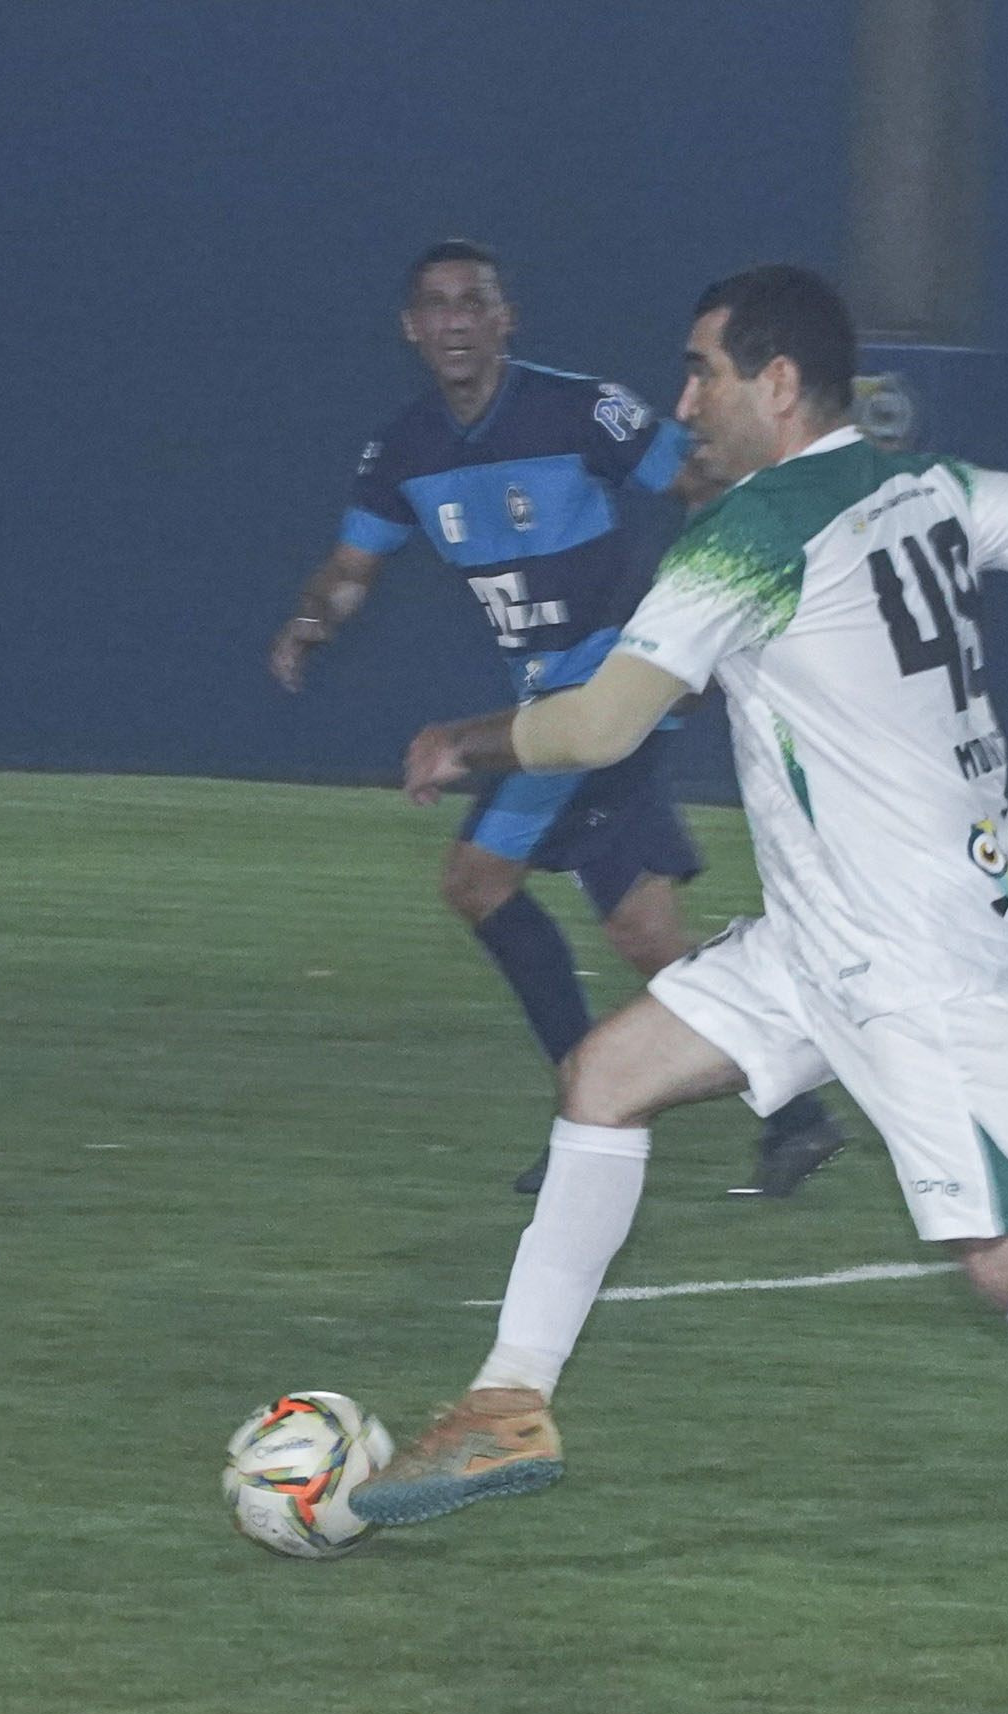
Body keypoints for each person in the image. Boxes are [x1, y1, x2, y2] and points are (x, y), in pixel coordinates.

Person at [373, 263, 1008, 1634]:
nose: (685, 401)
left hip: (910, 954)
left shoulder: (752, 528)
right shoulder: (919, 483)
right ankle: (506, 1404)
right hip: (826, 934)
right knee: (606, 1076)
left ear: (778, 385)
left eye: (703, 371)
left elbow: (597, 730)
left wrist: (466, 739)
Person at [271, 239, 847, 1196]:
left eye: (475, 303)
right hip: (553, 702)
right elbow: (349, 571)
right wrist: (307, 623)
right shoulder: (406, 450)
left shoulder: (581, 409)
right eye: (437, 307)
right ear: (413, 328)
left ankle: (596, 1113)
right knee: (642, 928)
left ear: (506, 321)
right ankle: (794, 1114)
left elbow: (703, 483)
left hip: (607, 692)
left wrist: (713, 608)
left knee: (478, 880)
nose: (457, 321)